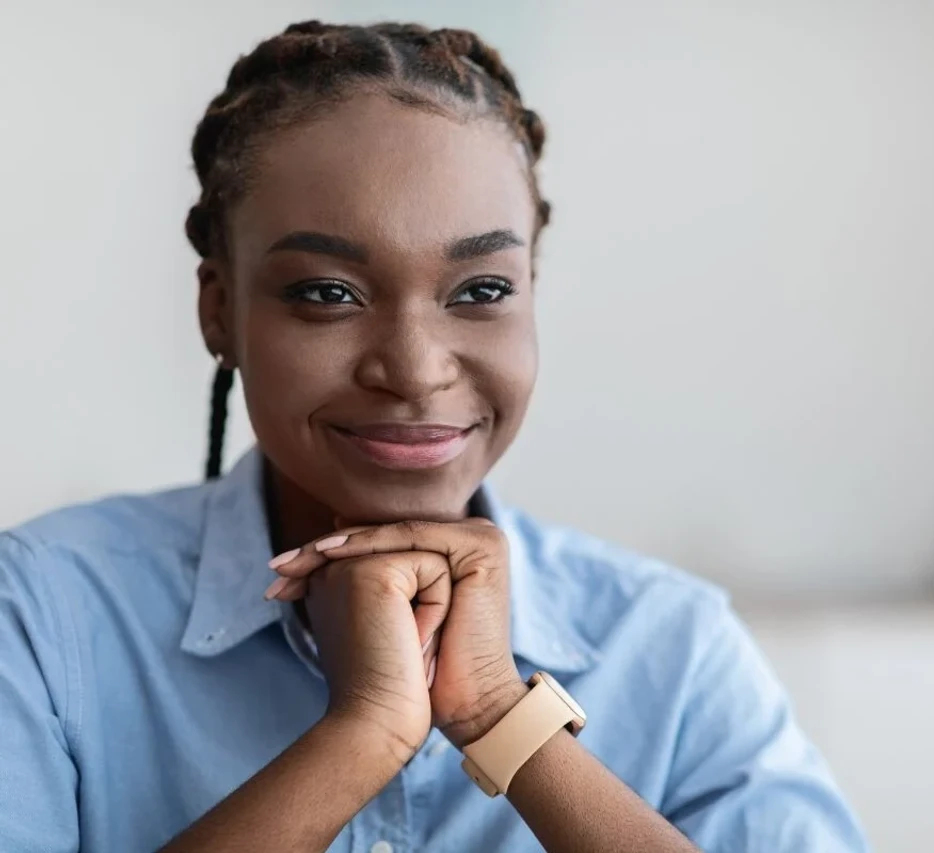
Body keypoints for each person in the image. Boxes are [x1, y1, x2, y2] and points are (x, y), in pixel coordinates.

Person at [0, 20, 865, 853]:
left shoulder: (674, 646)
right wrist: (363, 731)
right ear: (219, 309)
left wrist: (500, 714)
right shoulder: (44, 618)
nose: (414, 371)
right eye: (329, 293)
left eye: (482, 290)